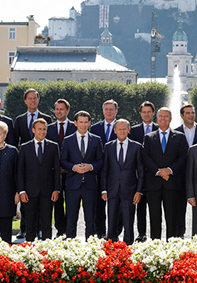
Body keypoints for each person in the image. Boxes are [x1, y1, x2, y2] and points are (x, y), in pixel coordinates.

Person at [141, 107, 188, 239]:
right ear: (157, 118)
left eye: (166, 116)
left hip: (172, 183)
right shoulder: (148, 137)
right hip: (153, 184)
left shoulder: (179, 137)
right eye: (161, 116)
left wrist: (169, 170)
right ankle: (156, 244)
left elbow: (183, 157)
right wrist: (158, 171)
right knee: (154, 217)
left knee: (172, 217)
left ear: (171, 119)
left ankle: (171, 245)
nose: (163, 118)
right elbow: (146, 157)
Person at [14, 89, 53, 239]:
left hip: (43, 163)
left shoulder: (46, 118)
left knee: (44, 207)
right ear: (25, 101)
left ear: (38, 100)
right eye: (29, 99)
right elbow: (15, 140)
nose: (32, 101)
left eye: (35, 98)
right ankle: (23, 229)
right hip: (27, 163)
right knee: (27, 204)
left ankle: (41, 230)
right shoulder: (20, 119)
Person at [61, 110, 104, 238]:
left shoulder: (96, 140)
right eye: (81, 122)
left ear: (90, 123)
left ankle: (89, 248)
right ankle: (70, 246)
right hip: (73, 186)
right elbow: (63, 161)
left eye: (86, 122)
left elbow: (101, 160)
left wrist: (90, 167)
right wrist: (73, 167)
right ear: (75, 123)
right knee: (71, 219)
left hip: (90, 186)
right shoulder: (68, 140)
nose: (83, 125)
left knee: (90, 220)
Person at [17, 118, 61, 241]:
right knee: (30, 224)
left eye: (44, 129)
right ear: (33, 130)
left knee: (47, 223)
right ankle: (31, 251)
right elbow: (20, 171)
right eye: (39, 129)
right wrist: (21, 191)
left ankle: (46, 250)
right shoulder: (24, 148)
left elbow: (57, 170)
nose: (42, 132)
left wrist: (56, 189)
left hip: (48, 192)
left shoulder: (53, 146)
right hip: (29, 192)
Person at [101, 119, 144, 245]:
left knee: (128, 220)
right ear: (115, 131)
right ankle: (111, 246)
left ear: (128, 130)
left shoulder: (136, 147)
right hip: (112, 189)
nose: (122, 131)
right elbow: (105, 170)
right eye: (119, 129)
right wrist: (104, 189)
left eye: (124, 129)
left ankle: (128, 245)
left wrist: (139, 191)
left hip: (130, 190)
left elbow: (141, 172)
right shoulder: (108, 147)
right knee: (112, 219)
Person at [129, 101, 158, 243]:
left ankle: (155, 234)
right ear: (140, 114)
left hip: (154, 175)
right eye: (144, 112)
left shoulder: (160, 129)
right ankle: (141, 233)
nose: (146, 114)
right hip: (138, 174)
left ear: (153, 113)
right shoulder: (133, 131)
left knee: (154, 206)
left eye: (149, 112)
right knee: (140, 205)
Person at [46, 99, 76, 238]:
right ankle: (59, 230)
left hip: (71, 173)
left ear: (67, 111)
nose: (59, 111)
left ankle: (70, 229)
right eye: (57, 109)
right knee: (57, 202)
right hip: (54, 173)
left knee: (71, 202)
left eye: (61, 109)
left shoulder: (74, 127)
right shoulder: (49, 128)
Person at [89, 99, 119, 238]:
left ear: (116, 111)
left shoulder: (121, 127)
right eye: (106, 109)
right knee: (98, 206)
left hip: (116, 173)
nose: (108, 111)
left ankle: (114, 233)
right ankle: (100, 232)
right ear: (103, 111)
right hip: (99, 173)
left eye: (111, 109)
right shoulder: (95, 128)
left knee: (116, 206)